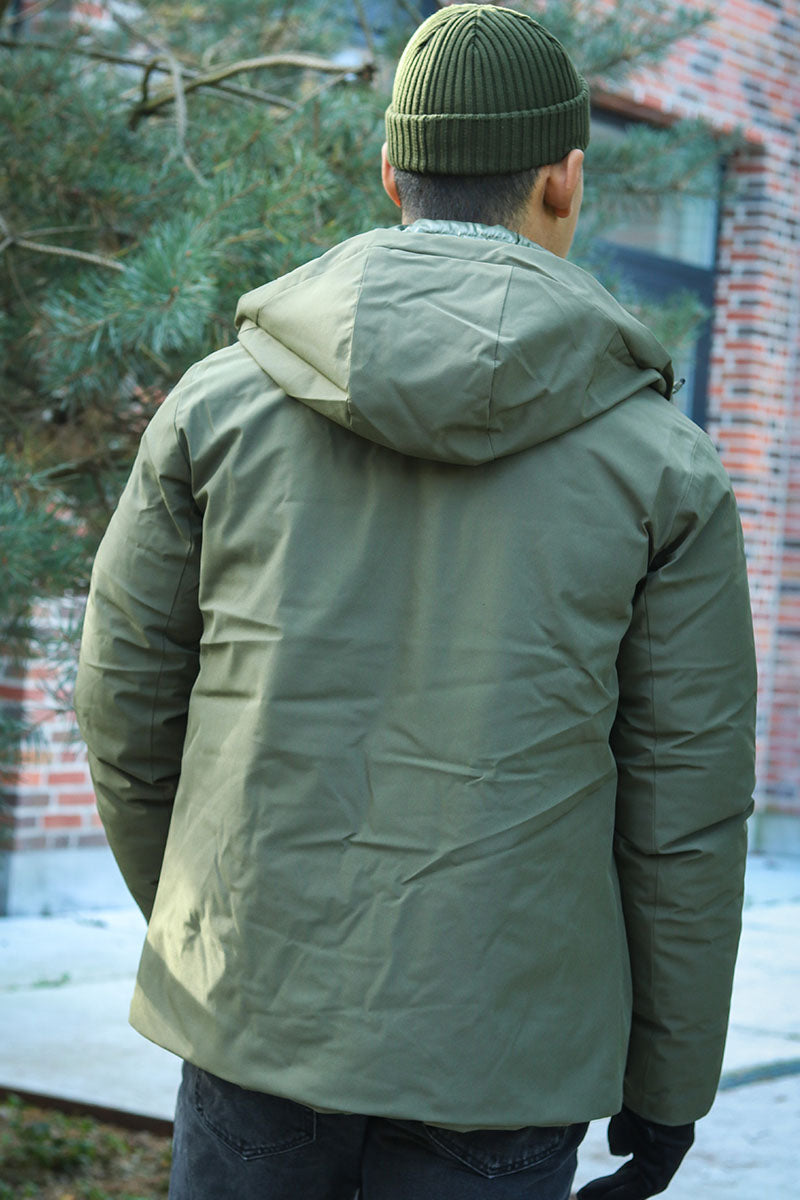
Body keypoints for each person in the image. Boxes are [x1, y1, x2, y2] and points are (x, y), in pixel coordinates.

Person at [74, 6, 757, 1199]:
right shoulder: (664, 469)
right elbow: (682, 816)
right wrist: (667, 1085)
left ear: (392, 171)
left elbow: (124, 712)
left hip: (254, 1027)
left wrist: (216, 937)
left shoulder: (212, 410)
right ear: (564, 178)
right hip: (504, 1062)